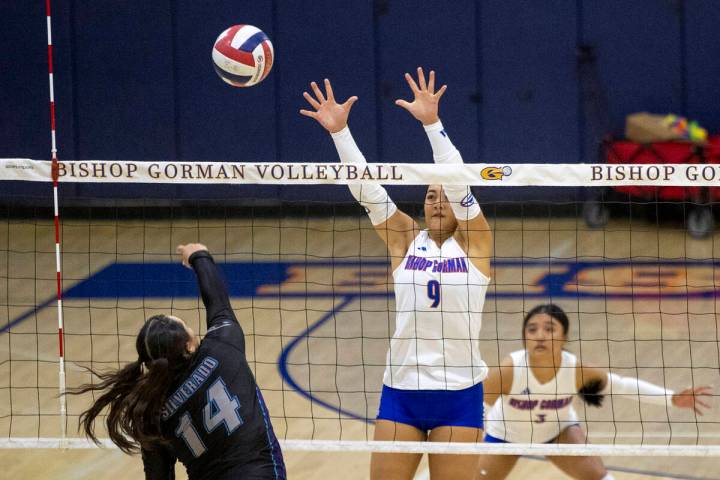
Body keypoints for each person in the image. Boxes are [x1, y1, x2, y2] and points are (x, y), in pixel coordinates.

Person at [301, 68, 493, 480]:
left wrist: (432, 124)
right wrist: (340, 134)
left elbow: (458, 183)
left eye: (444, 196)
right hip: (401, 392)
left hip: (459, 394)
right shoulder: (406, 240)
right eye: (429, 195)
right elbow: (368, 192)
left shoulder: (477, 244)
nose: (437, 202)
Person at [69, 244, 285, 480]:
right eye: (188, 328)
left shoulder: (150, 410)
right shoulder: (222, 349)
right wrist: (199, 256)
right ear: (189, 346)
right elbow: (218, 301)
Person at [479, 303, 712, 480]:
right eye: (532, 329)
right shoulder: (509, 369)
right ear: (524, 337)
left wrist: (671, 398)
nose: (539, 335)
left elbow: (622, 385)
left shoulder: (576, 370)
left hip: (558, 433)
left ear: (565, 337)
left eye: (549, 329)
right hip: (505, 437)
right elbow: (478, 410)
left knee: (600, 478)